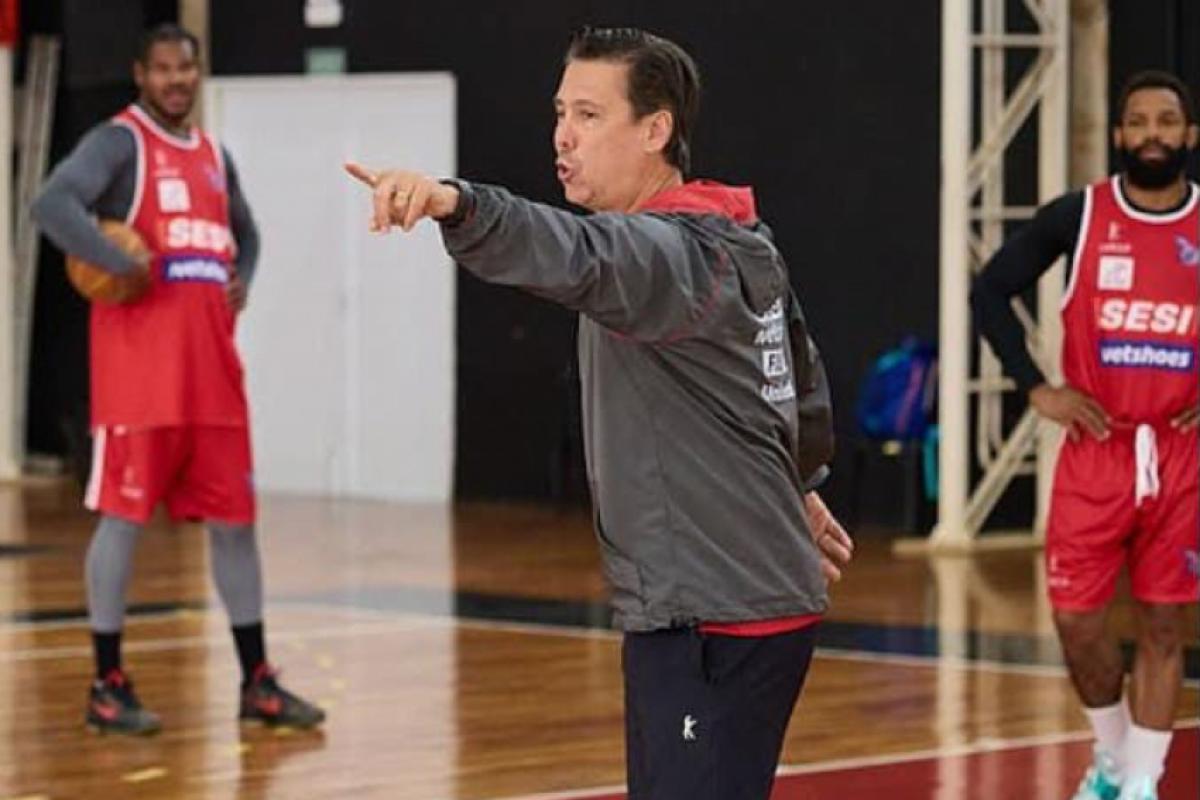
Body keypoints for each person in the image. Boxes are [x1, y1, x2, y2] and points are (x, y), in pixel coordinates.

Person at [345, 26, 852, 800]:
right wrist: (797, 483)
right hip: (716, 605)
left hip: (714, 616)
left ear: (657, 130)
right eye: (559, 113)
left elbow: (572, 254)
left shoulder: (665, 255)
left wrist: (455, 203)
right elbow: (793, 376)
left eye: (588, 115)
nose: (562, 136)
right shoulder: (734, 241)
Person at [32, 23, 324, 735]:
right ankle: (107, 684)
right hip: (140, 382)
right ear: (141, 75)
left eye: (184, 69)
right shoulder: (119, 143)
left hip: (214, 379)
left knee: (235, 528)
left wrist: (244, 278)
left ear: (197, 74)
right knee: (123, 523)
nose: (174, 81)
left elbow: (247, 233)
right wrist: (114, 257)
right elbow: (52, 205)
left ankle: (257, 681)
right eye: (161, 69)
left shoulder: (213, 157)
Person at [972, 70, 1198, 800]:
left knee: (1166, 624)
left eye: (1167, 121)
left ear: (1189, 135)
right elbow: (989, 290)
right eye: (1139, 121)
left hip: (1180, 453)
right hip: (1097, 448)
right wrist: (1034, 385)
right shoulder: (1080, 216)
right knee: (1076, 624)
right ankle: (1110, 757)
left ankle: (1140, 784)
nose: (1153, 133)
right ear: (1120, 135)